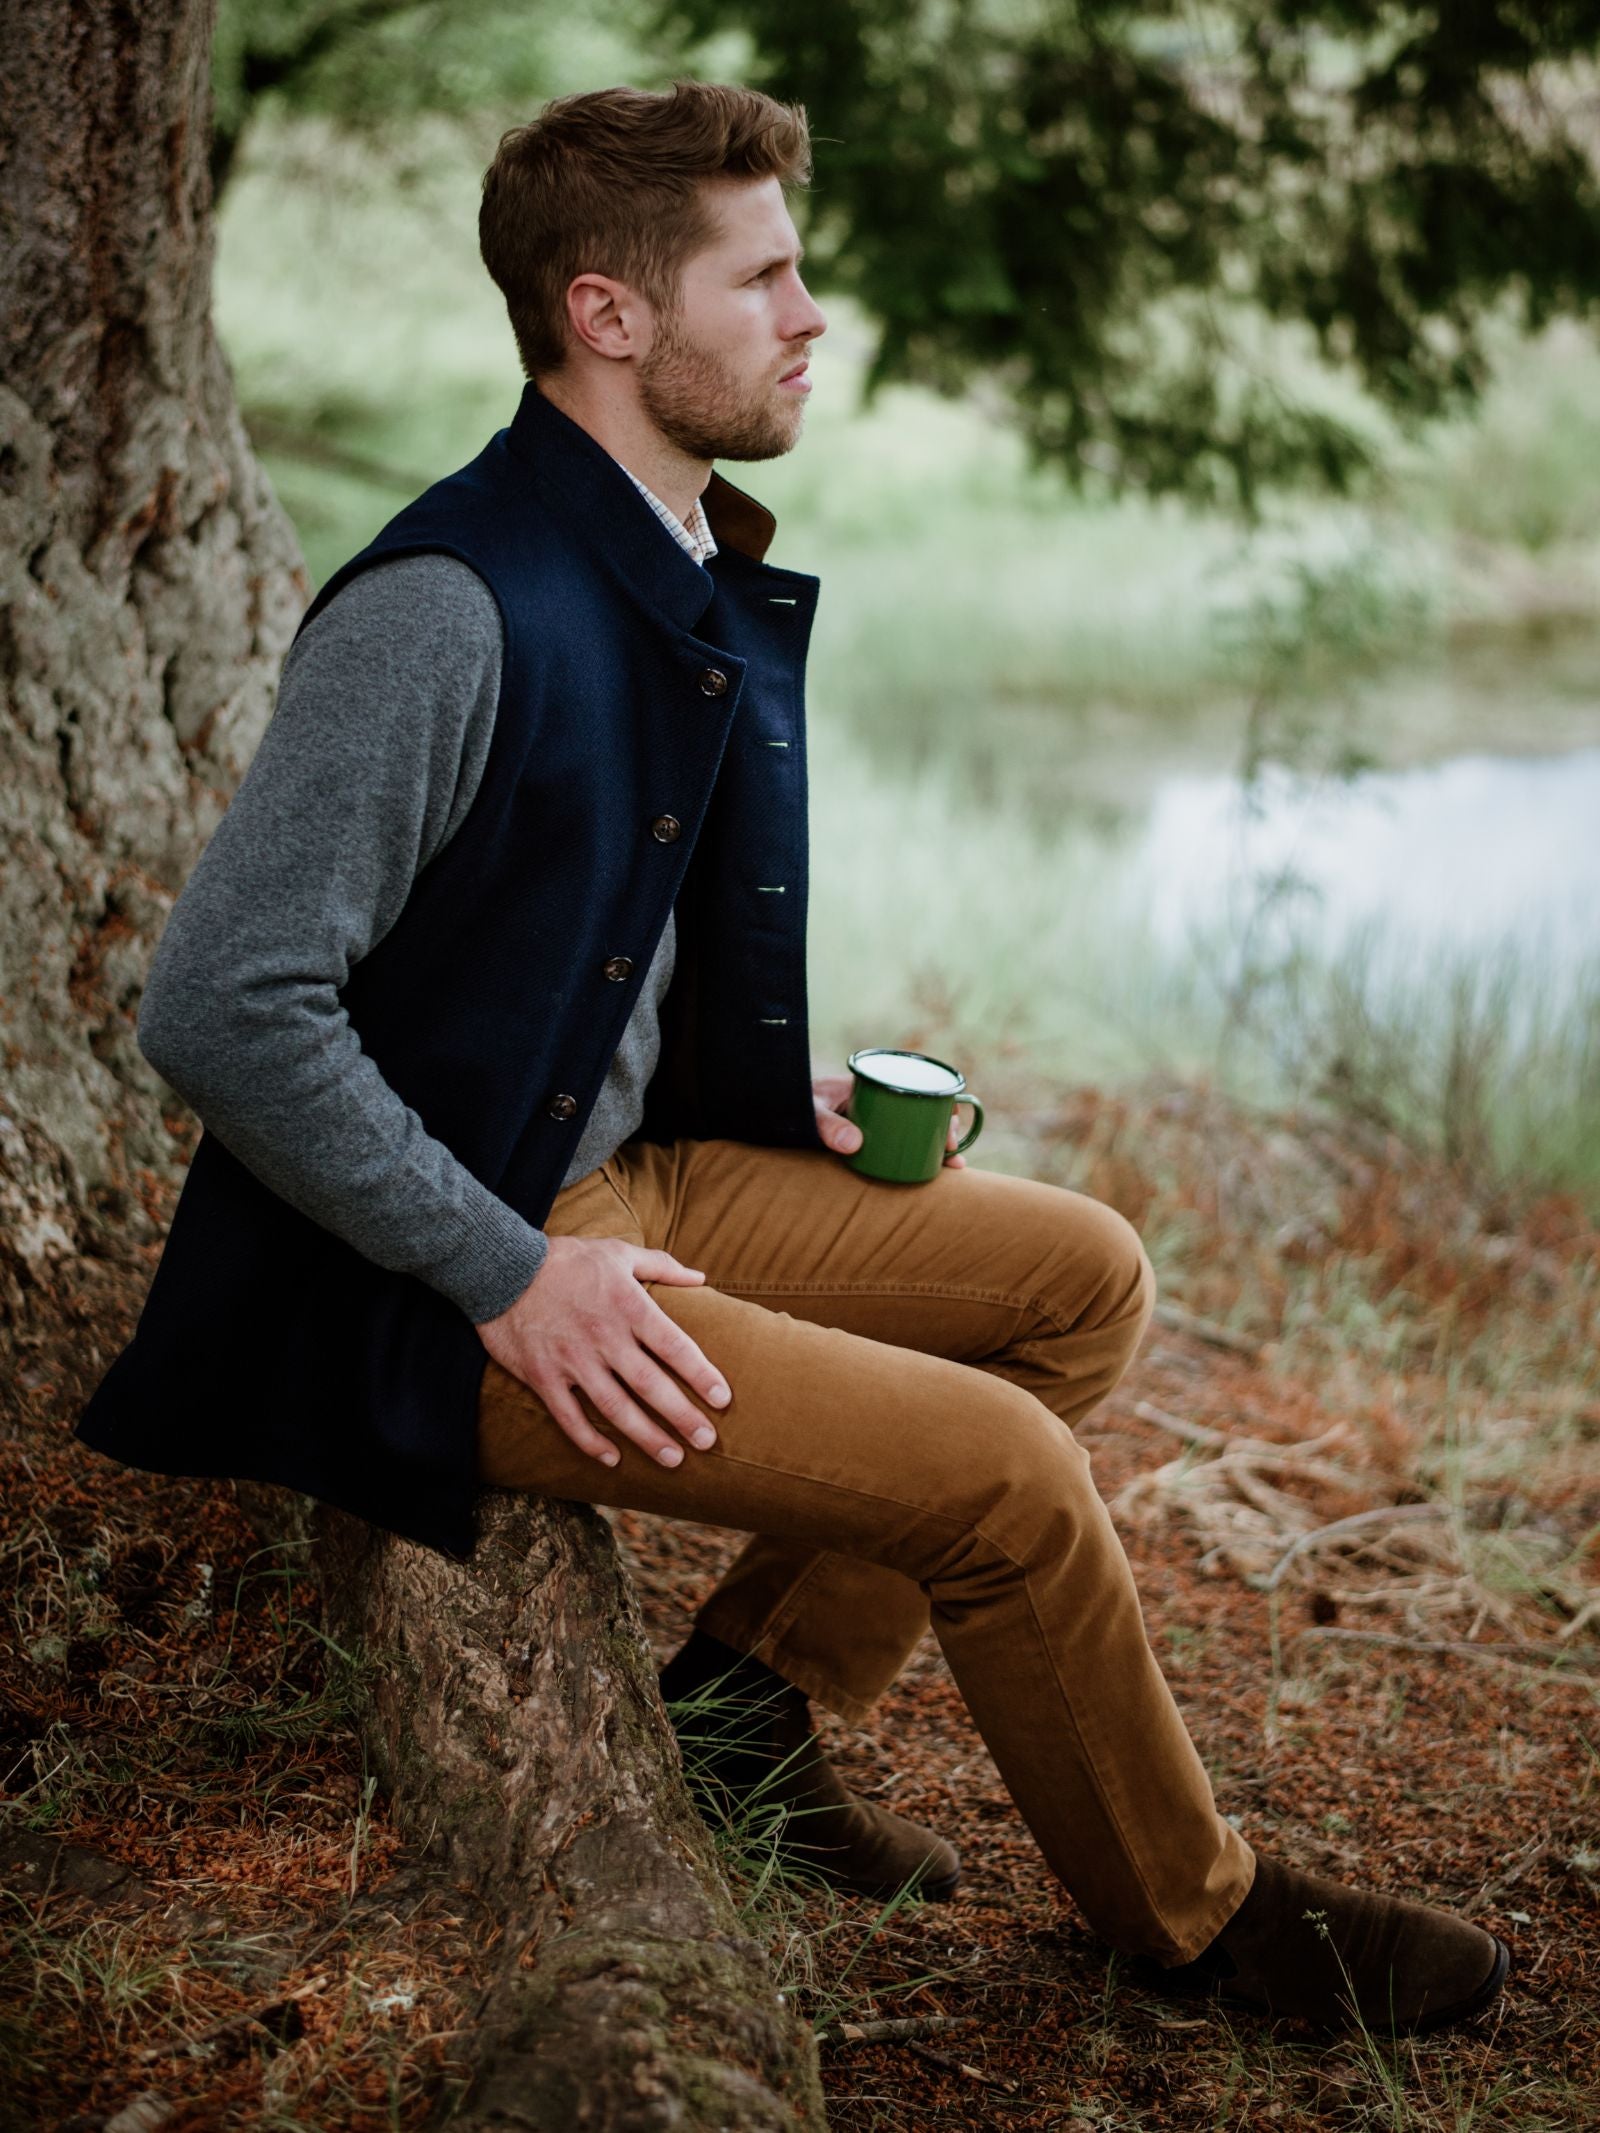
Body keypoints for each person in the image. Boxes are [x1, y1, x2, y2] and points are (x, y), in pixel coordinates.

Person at [76, 80, 1508, 2037]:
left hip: (642, 1176)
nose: (810, 313)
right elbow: (220, 997)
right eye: (762, 277)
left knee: (1074, 1277)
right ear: (605, 315)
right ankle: (1198, 1921)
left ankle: (751, 1707)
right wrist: (507, 1270)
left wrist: (762, 1094)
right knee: (1002, 1475)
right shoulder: (443, 604)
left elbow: (568, 933)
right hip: (439, 1278)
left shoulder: (661, 558)